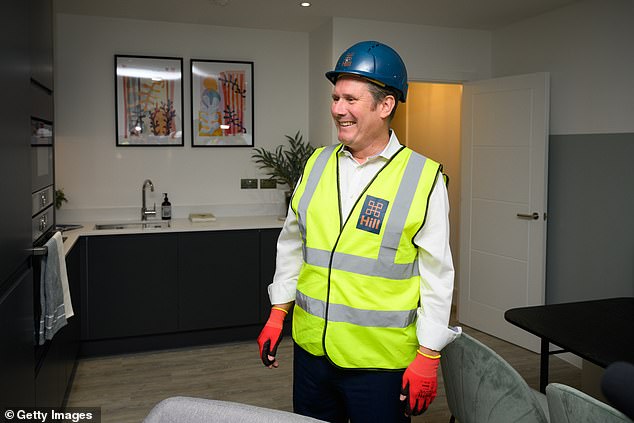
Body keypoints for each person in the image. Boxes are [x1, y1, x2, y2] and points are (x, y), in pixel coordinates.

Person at [257, 40, 461, 423]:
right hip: (312, 353)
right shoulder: (316, 164)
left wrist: (429, 353)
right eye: (335, 98)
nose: (337, 109)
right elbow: (292, 245)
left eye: (350, 99)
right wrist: (277, 311)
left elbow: (437, 274)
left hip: (379, 364)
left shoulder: (424, 178)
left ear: (385, 106)